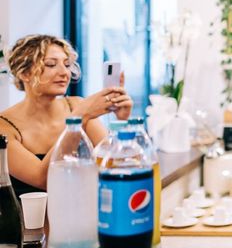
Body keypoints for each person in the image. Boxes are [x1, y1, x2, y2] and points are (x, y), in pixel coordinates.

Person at [0, 34, 133, 196]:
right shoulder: (5, 126)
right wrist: (80, 117)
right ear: (24, 74)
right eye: (51, 64)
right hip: (30, 220)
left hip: (80, 210)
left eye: (67, 64)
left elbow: (114, 163)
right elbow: (44, 179)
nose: (64, 73)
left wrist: (121, 121)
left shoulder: (76, 105)